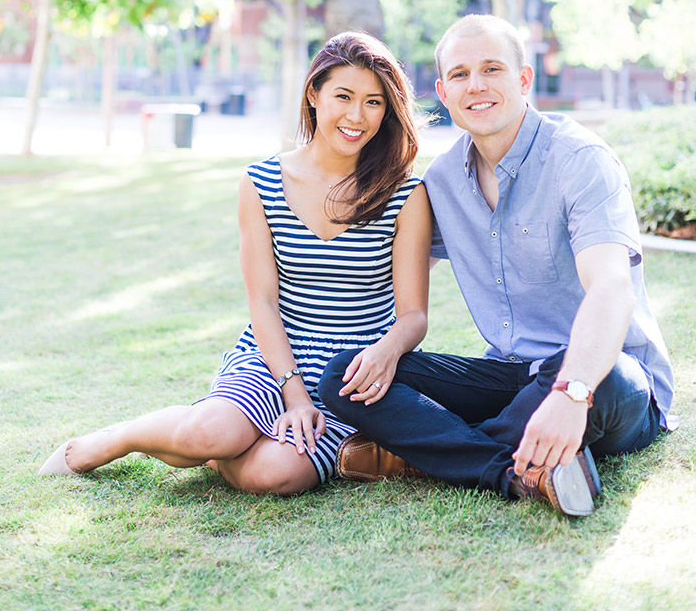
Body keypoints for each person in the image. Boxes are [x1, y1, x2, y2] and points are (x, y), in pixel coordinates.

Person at [39, 32, 432, 495]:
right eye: (343, 96)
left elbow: (413, 316)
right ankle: (120, 437)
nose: (356, 116)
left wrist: (385, 353)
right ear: (313, 94)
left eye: (373, 102)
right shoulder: (261, 182)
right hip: (272, 357)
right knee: (209, 434)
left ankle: (224, 450)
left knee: (275, 475)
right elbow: (262, 303)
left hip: (353, 373)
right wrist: (292, 393)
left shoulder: (406, 193)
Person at [321, 14, 675, 516]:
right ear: (443, 92)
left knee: (608, 373)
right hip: (508, 378)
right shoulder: (441, 183)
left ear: (523, 79)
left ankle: (424, 456)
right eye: (461, 75)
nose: (477, 86)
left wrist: (572, 394)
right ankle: (509, 471)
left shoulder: (579, 160)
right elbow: (371, 261)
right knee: (345, 375)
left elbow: (612, 287)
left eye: (492, 69)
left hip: (603, 381)